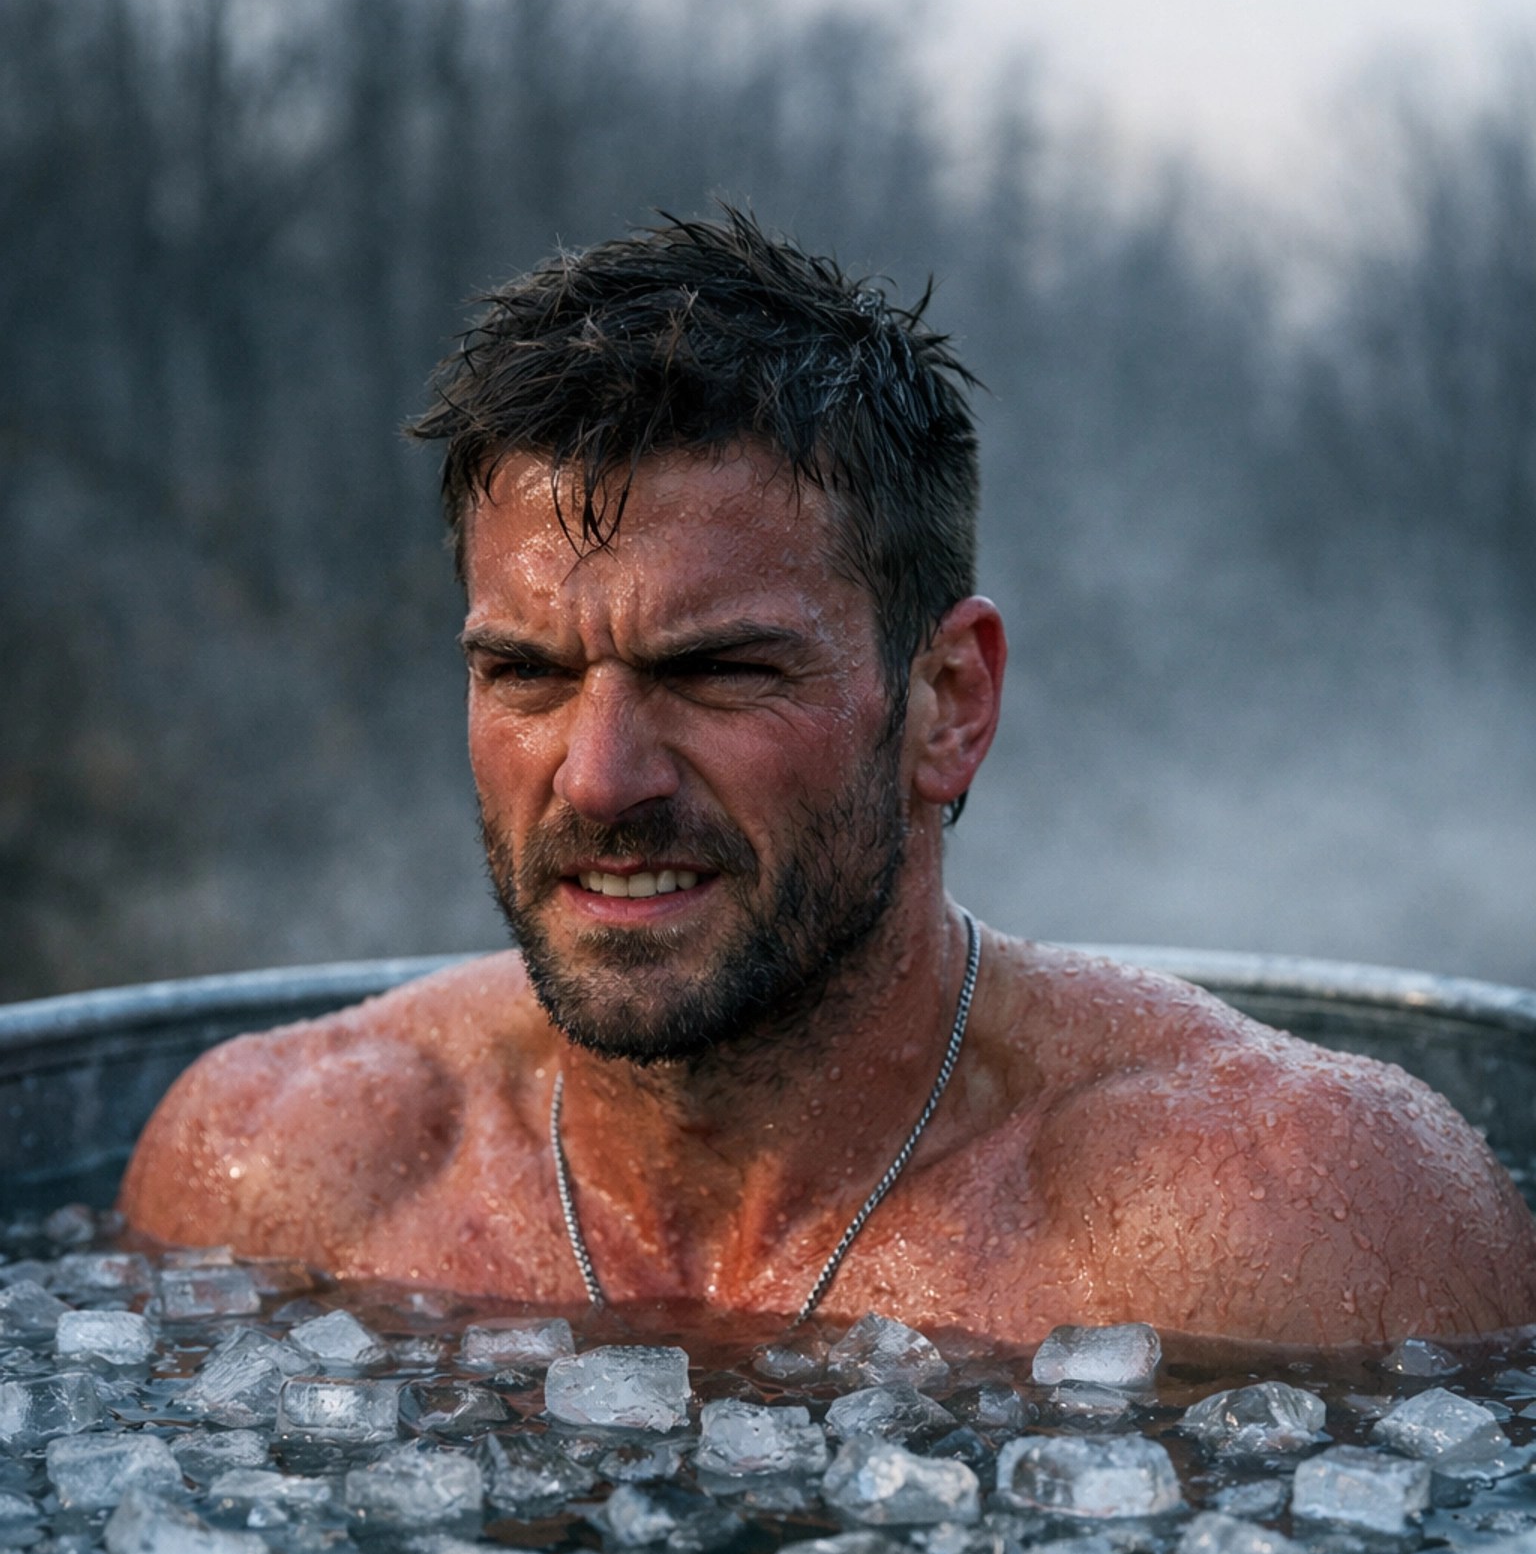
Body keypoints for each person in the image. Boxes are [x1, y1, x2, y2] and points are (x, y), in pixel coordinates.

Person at [122, 212, 1536, 1346]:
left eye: (721, 672)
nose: (602, 777)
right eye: (529, 675)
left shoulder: (1279, 1227)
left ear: (948, 702)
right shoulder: (277, 1180)